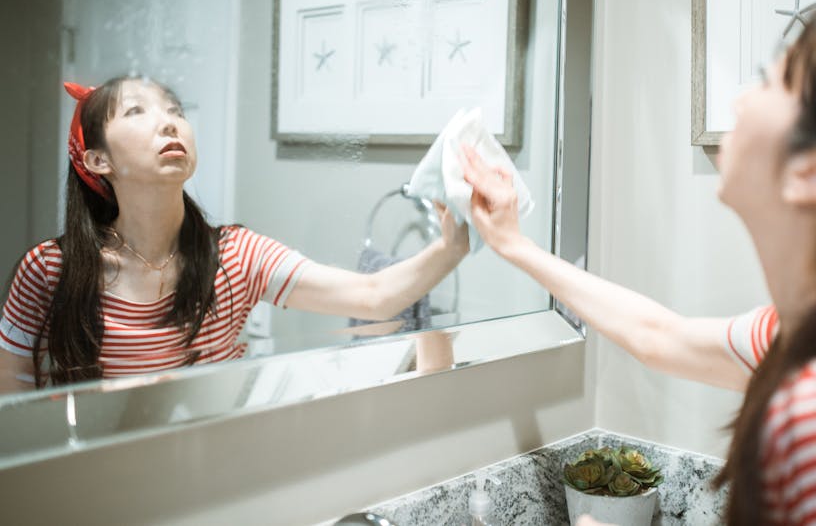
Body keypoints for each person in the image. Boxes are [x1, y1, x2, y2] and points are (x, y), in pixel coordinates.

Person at [463, 0, 816, 524]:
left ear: (814, 171)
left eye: (769, 82)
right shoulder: (806, 338)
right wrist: (514, 245)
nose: (738, 102)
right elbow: (659, 337)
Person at [0, 76, 469, 392]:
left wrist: (450, 247)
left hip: (207, 472)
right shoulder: (49, 269)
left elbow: (373, 297)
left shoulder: (236, 255)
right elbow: (13, 392)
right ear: (97, 161)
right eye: (137, 112)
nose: (169, 121)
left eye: (175, 110)